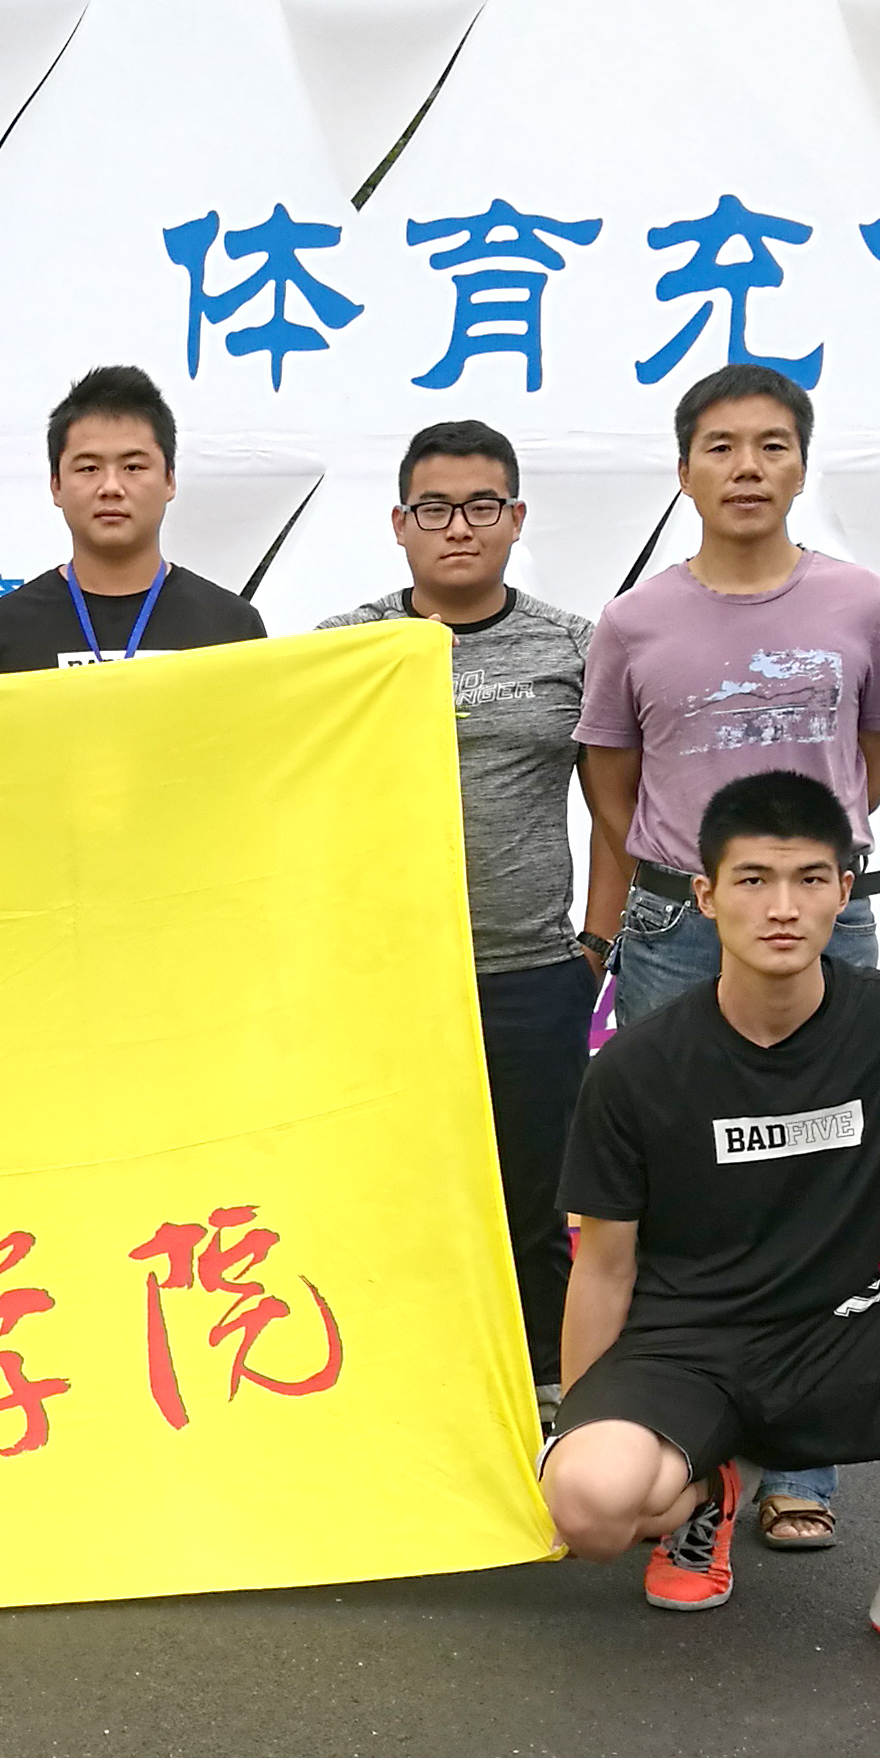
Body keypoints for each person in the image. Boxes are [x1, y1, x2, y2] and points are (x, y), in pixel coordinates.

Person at [541, 772, 880, 1674]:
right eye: (753, 879)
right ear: (706, 895)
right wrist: (584, 1418)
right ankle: (704, 1489)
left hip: (834, 1338)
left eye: (808, 879)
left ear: (844, 891)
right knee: (592, 1507)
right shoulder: (635, 1068)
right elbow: (604, 1266)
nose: (782, 907)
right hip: (683, 1352)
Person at [577, 362, 880, 1552]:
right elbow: (612, 783)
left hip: (825, 925)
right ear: (684, 471)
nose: (747, 468)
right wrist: (683, 891)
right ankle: (696, 1453)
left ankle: (802, 1465)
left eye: (772, 446)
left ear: (802, 466)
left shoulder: (861, 602)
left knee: (826, 1185)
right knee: (683, 1194)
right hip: (677, 930)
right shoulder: (634, 621)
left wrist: (795, 879)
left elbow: (872, 756)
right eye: (721, 447)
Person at [319, 419, 604, 1417]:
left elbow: (616, 810)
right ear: (399, 523)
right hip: (390, 979)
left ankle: (550, 1397)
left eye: (482, 506)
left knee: (532, 1205)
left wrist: (595, 948)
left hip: (532, 973)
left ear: (516, 518)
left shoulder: (573, 645)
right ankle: (402, 1399)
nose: (459, 527)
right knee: (392, 1196)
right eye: (434, 508)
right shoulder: (345, 648)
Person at [0, 367, 265, 673]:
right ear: (56, 485)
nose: (111, 487)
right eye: (89, 468)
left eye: (133, 467)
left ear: (169, 480)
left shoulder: (232, 628)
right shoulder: (3, 630)